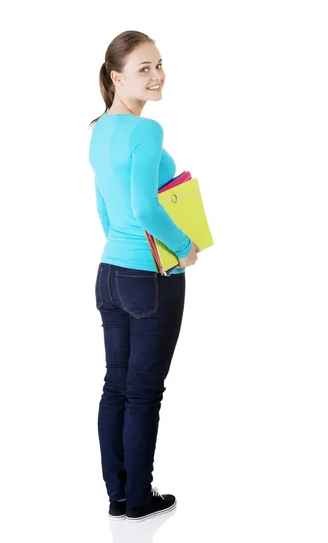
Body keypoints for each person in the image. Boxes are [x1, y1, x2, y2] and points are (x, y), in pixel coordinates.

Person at [88, 30, 199, 522]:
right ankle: (139, 500)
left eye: (159, 65)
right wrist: (182, 247)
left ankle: (118, 495)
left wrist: (120, 243)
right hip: (151, 276)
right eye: (144, 69)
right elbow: (141, 205)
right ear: (117, 77)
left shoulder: (98, 129)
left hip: (110, 272)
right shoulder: (146, 132)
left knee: (117, 386)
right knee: (142, 392)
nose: (157, 76)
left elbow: (106, 206)